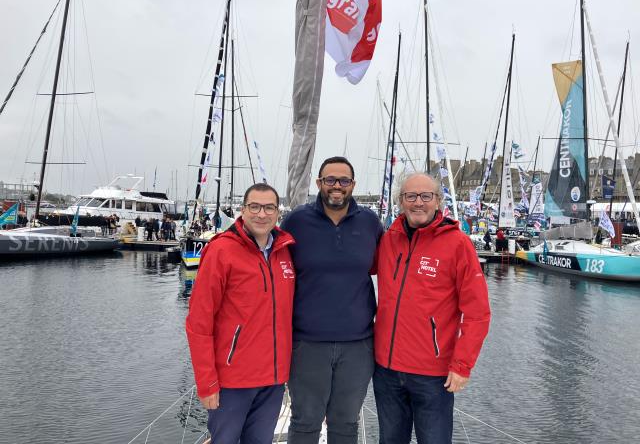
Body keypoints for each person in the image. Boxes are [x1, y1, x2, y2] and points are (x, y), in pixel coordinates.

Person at [373, 172, 491, 444]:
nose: (418, 203)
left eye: (426, 196)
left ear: (438, 201)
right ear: (401, 202)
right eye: (410, 196)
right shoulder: (389, 239)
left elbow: (478, 312)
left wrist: (462, 365)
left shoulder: (457, 244)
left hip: (432, 375)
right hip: (386, 371)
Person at [280, 156, 383, 444]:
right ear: (319, 183)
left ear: (353, 185)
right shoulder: (296, 221)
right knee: (305, 422)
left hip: (358, 345)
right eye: (330, 180)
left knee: (346, 423)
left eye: (344, 180)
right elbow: (278, 270)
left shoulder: (370, 222)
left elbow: (379, 267)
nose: (337, 186)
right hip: (307, 344)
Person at [186, 183, 296, 444]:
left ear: (277, 212)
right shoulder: (221, 251)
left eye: (269, 207)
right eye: (254, 207)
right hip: (232, 381)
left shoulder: (285, 252)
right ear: (243, 210)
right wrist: (207, 383)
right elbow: (198, 323)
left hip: (273, 378)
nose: (261, 214)